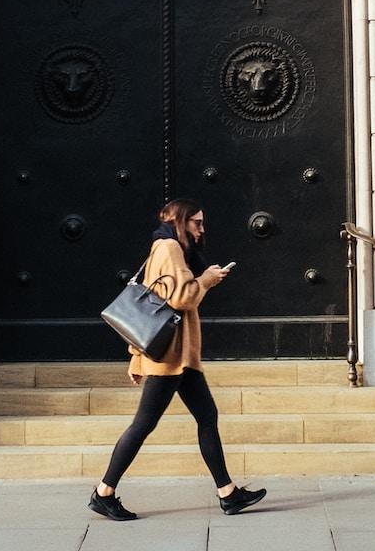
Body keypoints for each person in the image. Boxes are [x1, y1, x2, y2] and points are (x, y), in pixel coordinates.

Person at [88, 199, 268, 521]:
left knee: (207, 416)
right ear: (180, 222)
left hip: (179, 358)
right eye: (196, 223)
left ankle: (228, 493)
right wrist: (207, 280)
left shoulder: (167, 248)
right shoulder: (169, 248)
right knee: (143, 425)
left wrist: (135, 357)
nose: (201, 229)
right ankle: (104, 492)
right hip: (170, 359)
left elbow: (147, 304)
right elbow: (181, 298)